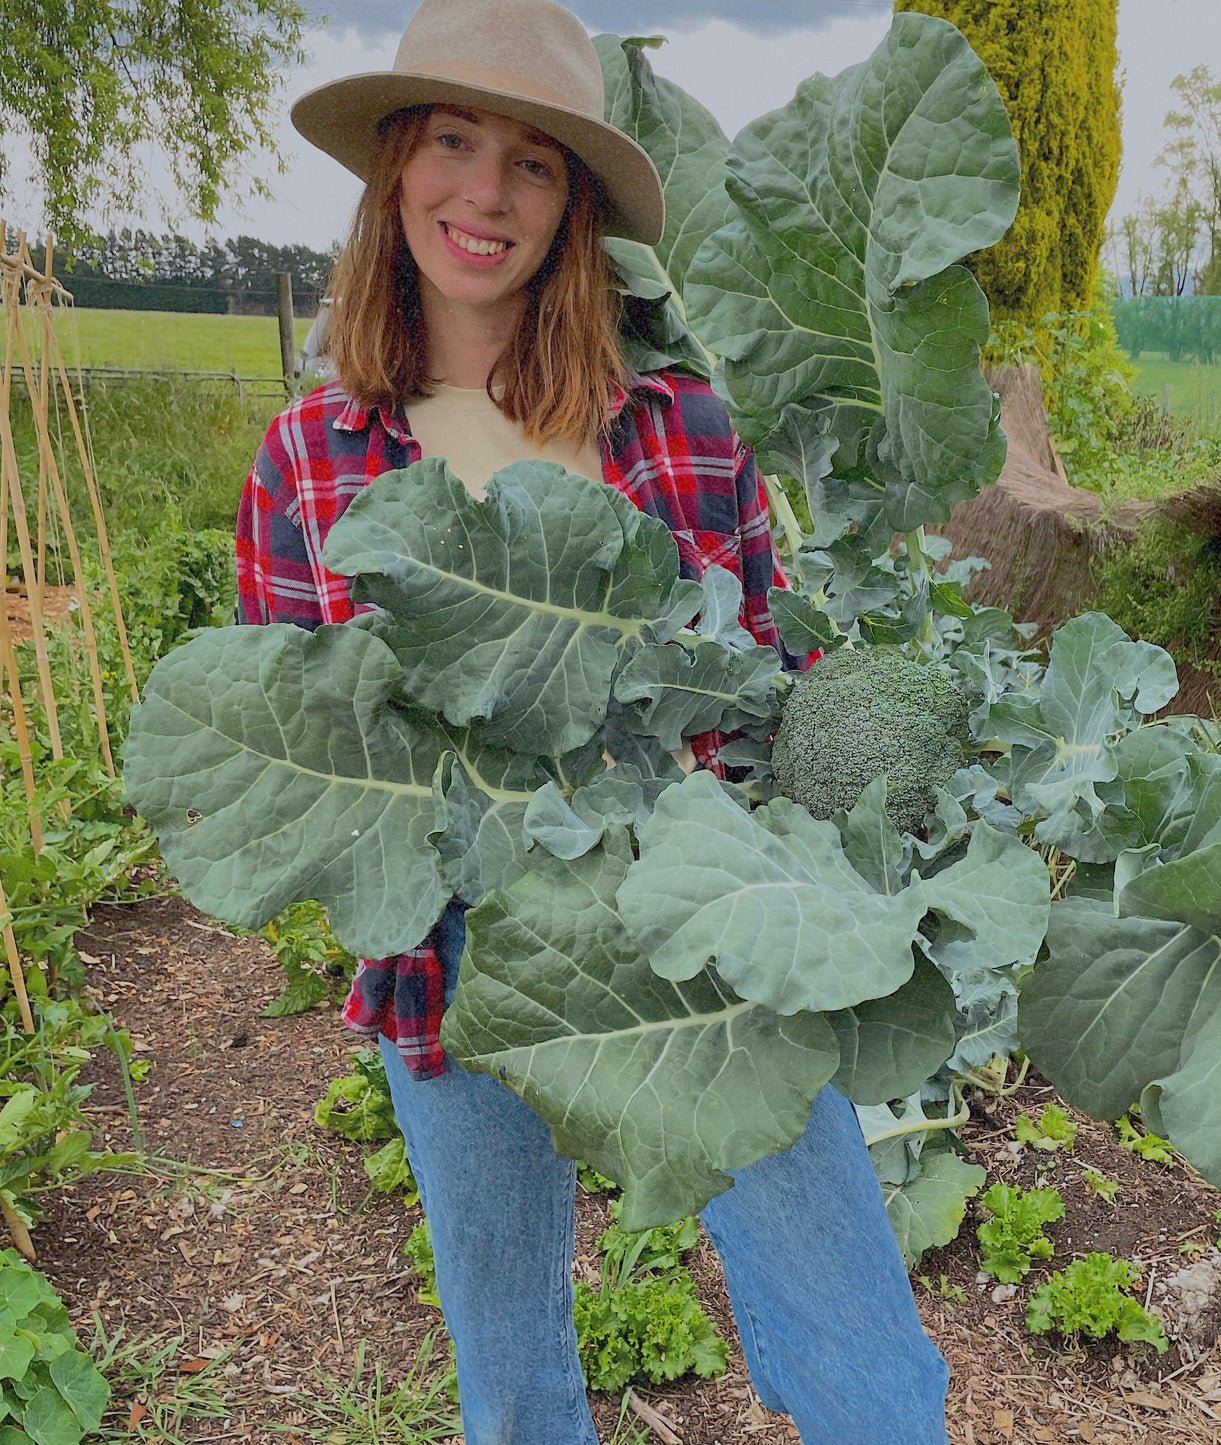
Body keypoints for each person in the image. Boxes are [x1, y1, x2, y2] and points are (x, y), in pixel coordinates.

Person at [236, 1, 951, 1440]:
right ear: (396, 169)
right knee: (513, 1393)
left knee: (874, 1381)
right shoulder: (312, 458)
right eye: (451, 142)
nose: (484, 195)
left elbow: (766, 693)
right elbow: (288, 759)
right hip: (462, 971)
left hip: (712, 955)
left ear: (572, 208)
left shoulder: (681, 428)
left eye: (533, 163)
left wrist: (895, 769)